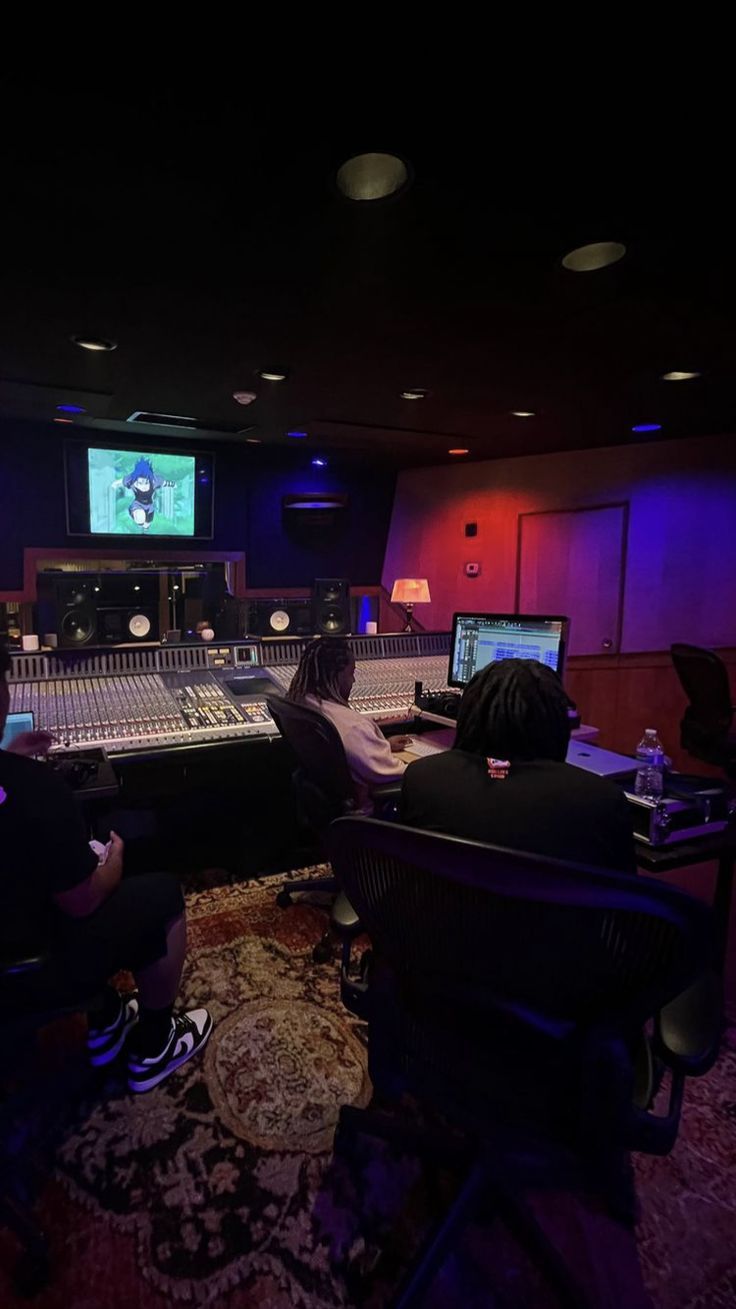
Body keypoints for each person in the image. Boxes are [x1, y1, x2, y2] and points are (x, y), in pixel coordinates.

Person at [0, 644, 212, 1093]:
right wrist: (114, 860)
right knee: (161, 895)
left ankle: (108, 1018)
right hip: (34, 968)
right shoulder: (37, 789)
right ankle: (155, 1044)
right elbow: (84, 900)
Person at [401, 658, 636, 872]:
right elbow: (626, 903)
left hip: (443, 918)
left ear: (470, 715)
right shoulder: (602, 800)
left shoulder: (423, 778)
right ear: (555, 722)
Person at [286, 638, 409, 811]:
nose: (354, 681)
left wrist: (381, 746)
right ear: (336, 675)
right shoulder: (353, 727)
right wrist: (432, 763)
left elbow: (338, 752)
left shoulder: (299, 702)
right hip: (366, 815)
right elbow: (389, 773)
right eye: (351, 673)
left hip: (322, 811)